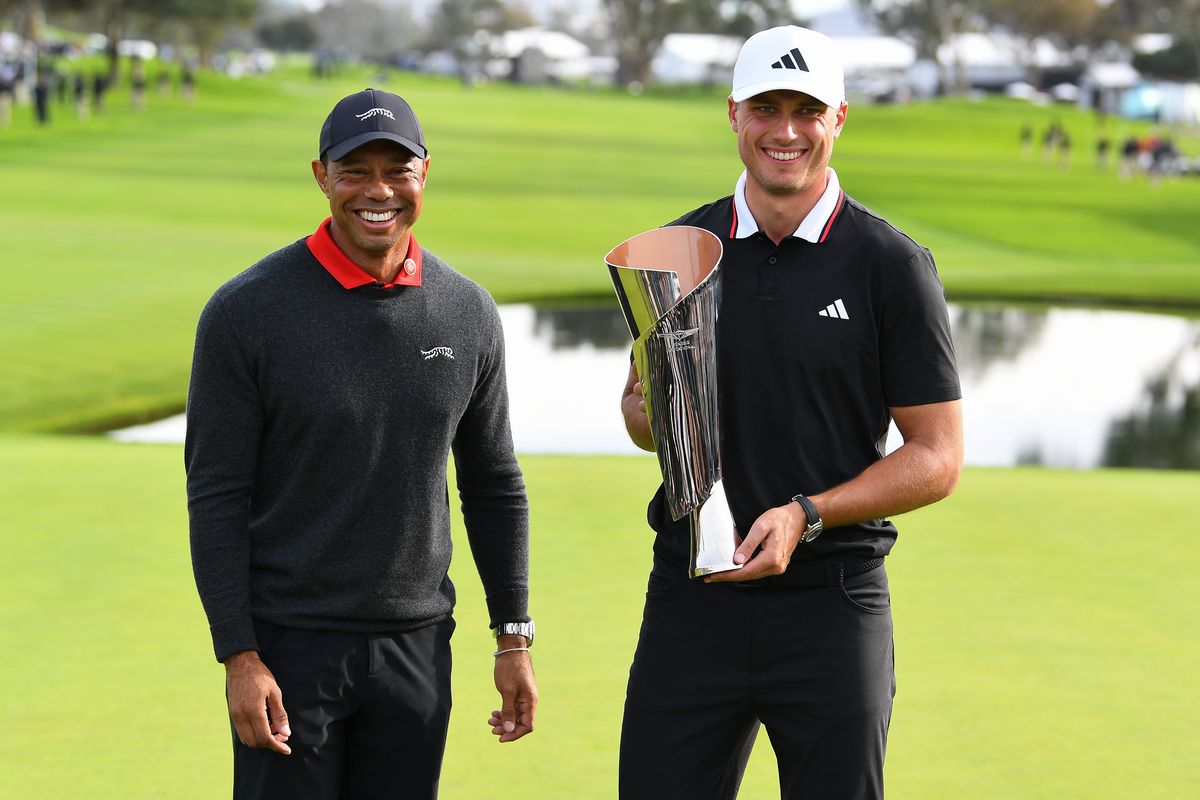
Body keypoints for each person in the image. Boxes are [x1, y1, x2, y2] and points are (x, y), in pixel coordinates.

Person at [617, 26, 962, 799]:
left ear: (837, 118)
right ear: (732, 114)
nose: (785, 132)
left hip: (831, 606)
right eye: (766, 108)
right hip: (691, 597)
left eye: (806, 110)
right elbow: (641, 418)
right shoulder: (678, 248)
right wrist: (651, 413)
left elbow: (937, 456)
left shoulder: (890, 265)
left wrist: (808, 513)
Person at [185, 88, 537, 799]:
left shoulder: (466, 311)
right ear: (322, 176)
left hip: (417, 646)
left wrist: (513, 636)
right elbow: (218, 495)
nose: (378, 191)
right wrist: (239, 655)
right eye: (355, 171)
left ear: (424, 174)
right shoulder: (246, 312)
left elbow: (493, 483)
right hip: (290, 648)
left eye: (397, 170)